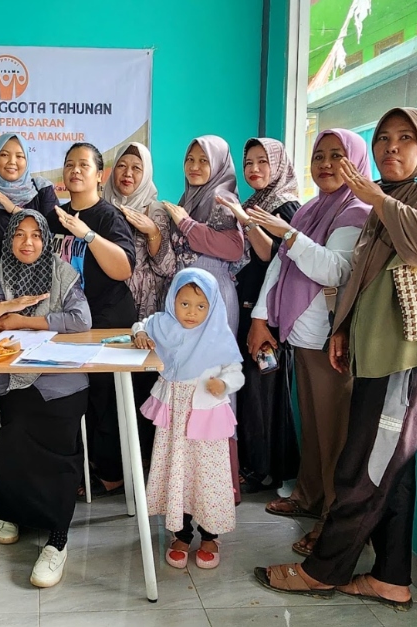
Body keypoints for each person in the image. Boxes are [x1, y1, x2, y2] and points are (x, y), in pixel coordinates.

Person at [256, 108, 417, 611]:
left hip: (413, 357)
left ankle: (322, 571)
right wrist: (342, 329)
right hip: (379, 352)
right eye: (384, 138)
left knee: (363, 468)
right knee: (394, 471)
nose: (391, 147)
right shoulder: (388, 201)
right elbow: (362, 276)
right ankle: (391, 578)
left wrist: (378, 200)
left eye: (405, 139)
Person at [0, 209, 91, 589]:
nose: (28, 242)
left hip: (62, 380)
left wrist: (26, 322)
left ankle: (57, 539)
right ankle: (11, 510)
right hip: (13, 379)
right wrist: (4, 307)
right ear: (9, 239)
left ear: (46, 241)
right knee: (17, 428)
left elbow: (81, 319)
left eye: (36, 235)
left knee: (60, 434)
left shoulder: (63, 274)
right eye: (20, 235)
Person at [248, 129, 372, 556]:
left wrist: (289, 236)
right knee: (313, 427)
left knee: (335, 432)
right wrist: (260, 318)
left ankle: (331, 521)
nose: (326, 164)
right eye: (319, 155)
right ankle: (308, 495)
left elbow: (335, 270)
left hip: (329, 339)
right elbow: (279, 270)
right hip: (300, 335)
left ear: (355, 162)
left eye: (337, 156)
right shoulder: (311, 210)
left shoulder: (358, 211)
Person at [133, 268, 244, 570]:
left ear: (212, 307)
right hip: (174, 419)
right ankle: (180, 534)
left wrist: (224, 384)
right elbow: (141, 324)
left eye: (200, 306)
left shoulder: (218, 336)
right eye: (184, 304)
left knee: (207, 479)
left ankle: (210, 537)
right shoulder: (163, 325)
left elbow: (235, 372)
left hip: (207, 422)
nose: (191, 313)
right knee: (176, 474)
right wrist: (141, 333)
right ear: (172, 301)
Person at [45, 142, 136, 498]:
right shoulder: (54, 216)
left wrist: (87, 234)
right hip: (68, 321)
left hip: (108, 320)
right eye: (70, 164)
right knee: (72, 397)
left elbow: (123, 268)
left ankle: (111, 474)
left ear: (100, 175)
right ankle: (79, 468)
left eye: (84, 165)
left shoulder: (108, 216)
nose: (75, 170)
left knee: (105, 399)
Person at [162, 135, 247, 503]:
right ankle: (189, 479)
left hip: (213, 304)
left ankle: (220, 485)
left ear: (219, 165)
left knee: (212, 387)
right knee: (187, 386)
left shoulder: (222, 199)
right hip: (188, 305)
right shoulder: (189, 200)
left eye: (203, 160)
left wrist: (186, 225)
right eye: (189, 159)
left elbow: (234, 247)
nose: (195, 167)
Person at [215, 138, 300, 495]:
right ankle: (256, 463)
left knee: (265, 392)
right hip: (247, 308)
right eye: (249, 162)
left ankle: (266, 470)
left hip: (270, 316)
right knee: (249, 388)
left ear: (278, 165)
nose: (254, 170)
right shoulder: (252, 202)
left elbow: (272, 257)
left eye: (263, 162)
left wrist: (245, 221)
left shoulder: (288, 206)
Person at [102, 141, 177, 464]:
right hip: (106, 309)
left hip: (146, 311)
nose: (128, 173)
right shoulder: (101, 206)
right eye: (122, 165)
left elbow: (167, 267)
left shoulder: (157, 210)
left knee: (143, 389)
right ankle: (110, 467)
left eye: (136, 168)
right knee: (105, 391)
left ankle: (143, 467)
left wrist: (153, 234)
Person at [0, 133, 58, 264]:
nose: (12, 161)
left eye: (20, 156)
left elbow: (52, 237)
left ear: (27, 161)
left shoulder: (42, 190)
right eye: (4, 155)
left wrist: (14, 210)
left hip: (42, 278)